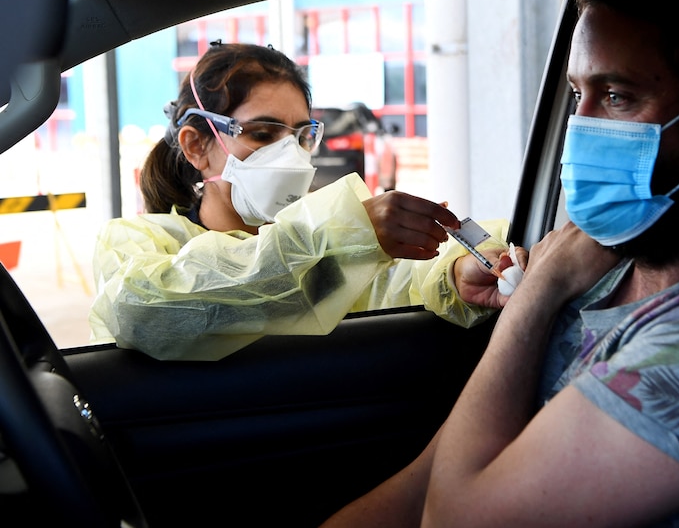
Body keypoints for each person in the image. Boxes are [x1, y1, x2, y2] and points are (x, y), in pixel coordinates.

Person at [320, 0, 679, 526]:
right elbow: (427, 479)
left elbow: (452, 517)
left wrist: (537, 293)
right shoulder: (609, 268)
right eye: (579, 96)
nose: (582, 128)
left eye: (618, 96)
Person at [88, 42, 515, 361]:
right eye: (262, 133)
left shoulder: (326, 247)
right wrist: (339, 230)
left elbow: (390, 285)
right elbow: (143, 311)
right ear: (197, 146)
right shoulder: (139, 241)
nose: (290, 156)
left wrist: (456, 273)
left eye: (300, 135)